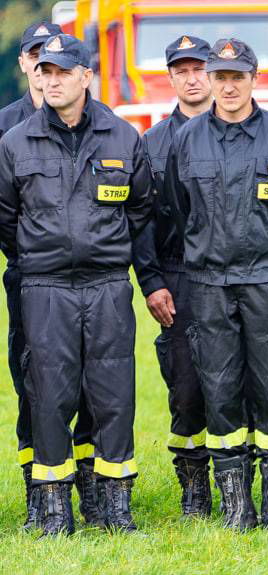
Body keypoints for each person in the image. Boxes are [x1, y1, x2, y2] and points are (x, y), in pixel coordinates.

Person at [0, 34, 153, 535]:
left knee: (114, 396)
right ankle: (53, 511)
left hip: (108, 285)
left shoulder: (122, 136)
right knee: (49, 396)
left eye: (63, 71)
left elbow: (141, 212)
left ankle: (115, 508)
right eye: (44, 71)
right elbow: (5, 218)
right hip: (44, 289)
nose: (51, 79)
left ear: (86, 77)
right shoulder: (15, 141)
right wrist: (38, 260)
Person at [163, 38, 268, 529]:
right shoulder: (186, 139)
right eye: (219, 77)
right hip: (209, 282)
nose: (226, 86)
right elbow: (177, 207)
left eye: (236, 77)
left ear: (253, 79)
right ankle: (235, 506)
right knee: (219, 391)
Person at [0, 19, 103, 531]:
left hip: (90, 282)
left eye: (58, 61)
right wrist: (30, 256)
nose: (47, 71)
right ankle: (39, 495)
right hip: (32, 278)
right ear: (25, 64)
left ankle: (88, 488)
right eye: (37, 57)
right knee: (34, 381)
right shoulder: (7, 128)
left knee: (90, 384)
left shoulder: (101, 125)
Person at [131, 35, 213, 517]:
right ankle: (194, 487)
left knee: (239, 383)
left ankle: (239, 480)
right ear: (171, 77)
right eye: (181, 69)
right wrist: (152, 282)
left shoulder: (241, 131)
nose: (192, 76)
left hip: (232, 276)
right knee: (185, 385)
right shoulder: (153, 143)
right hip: (178, 276)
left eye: (199, 67)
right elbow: (140, 222)